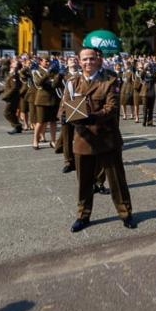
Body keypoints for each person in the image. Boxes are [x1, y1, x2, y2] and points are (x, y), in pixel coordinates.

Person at [61, 47, 135, 232]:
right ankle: (83, 215)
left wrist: (92, 117)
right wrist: (63, 116)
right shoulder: (72, 83)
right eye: (84, 59)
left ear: (97, 60)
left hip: (106, 138)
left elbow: (112, 107)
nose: (88, 62)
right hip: (83, 139)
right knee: (84, 182)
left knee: (117, 180)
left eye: (91, 59)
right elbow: (63, 107)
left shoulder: (109, 81)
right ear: (79, 60)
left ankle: (125, 213)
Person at [31, 56, 60, 150]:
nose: (48, 63)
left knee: (53, 122)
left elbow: (55, 84)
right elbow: (38, 83)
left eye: (49, 62)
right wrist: (48, 74)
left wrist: (59, 75)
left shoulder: (54, 71)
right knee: (40, 121)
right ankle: (35, 141)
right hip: (42, 100)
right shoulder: (36, 71)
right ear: (40, 62)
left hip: (53, 99)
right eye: (46, 61)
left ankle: (53, 141)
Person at [0, 58, 22, 134]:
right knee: (12, 112)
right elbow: (8, 86)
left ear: (16, 66)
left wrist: (6, 96)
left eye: (14, 62)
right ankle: (18, 127)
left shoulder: (15, 75)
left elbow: (15, 87)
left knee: (6, 113)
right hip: (11, 97)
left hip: (13, 97)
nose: (12, 63)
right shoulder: (11, 73)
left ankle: (17, 125)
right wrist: (0, 92)